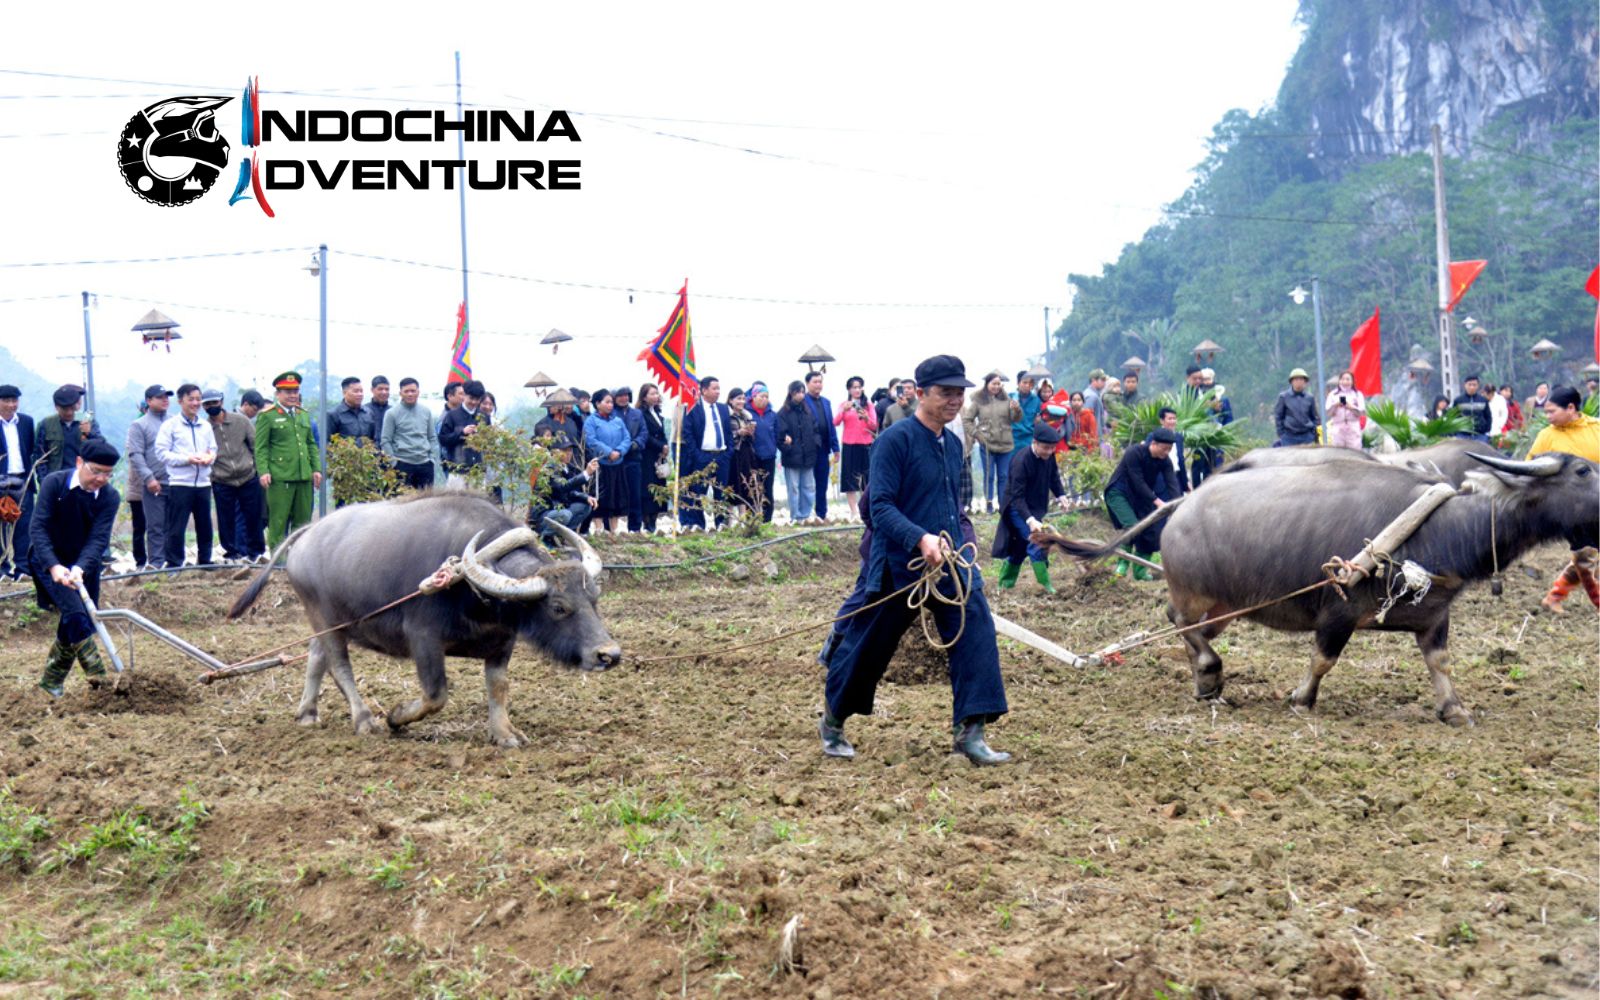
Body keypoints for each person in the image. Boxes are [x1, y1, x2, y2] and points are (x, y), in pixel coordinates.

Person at [820, 354, 1011, 766]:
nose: (954, 400)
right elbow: (879, 508)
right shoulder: (894, 441)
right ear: (920, 393)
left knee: (976, 630)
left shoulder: (954, 444)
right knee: (868, 647)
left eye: (959, 393)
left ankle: (971, 732)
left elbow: (955, 507)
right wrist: (920, 537)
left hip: (948, 562)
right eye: (945, 392)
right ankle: (833, 721)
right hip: (898, 564)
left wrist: (965, 544)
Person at [29, 438, 121, 697]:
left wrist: (81, 567)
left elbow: (99, 539)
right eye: (96, 471)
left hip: (83, 564)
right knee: (77, 616)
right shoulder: (55, 484)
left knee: (79, 620)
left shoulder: (109, 497)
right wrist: (54, 566)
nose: (101, 479)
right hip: (48, 559)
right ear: (80, 462)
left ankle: (50, 682)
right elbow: (38, 527)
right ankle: (100, 682)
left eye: (107, 474)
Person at [1527, 386, 1600, 613]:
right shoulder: (1547, 436)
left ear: (1570, 408)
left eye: (1552, 411)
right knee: (1585, 553)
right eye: (1546, 412)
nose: (1548, 417)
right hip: (1569, 509)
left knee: (1591, 551)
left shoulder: (1596, 428)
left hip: (1597, 501)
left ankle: (1554, 597)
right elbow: (1529, 469)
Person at [992, 422, 1070, 593]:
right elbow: (1017, 497)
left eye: (1052, 448)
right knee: (1037, 542)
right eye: (1046, 448)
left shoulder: (1049, 457)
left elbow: (1054, 477)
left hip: (1034, 508)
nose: (1049, 452)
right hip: (1016, 508)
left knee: (1021, 546)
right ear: (1035, 442)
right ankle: (1045, 586)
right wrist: (1030, 520)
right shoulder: (1021, 461)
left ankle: (1004, 586)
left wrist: (1061, 495)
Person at [255, 371, 322, 551]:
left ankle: (299, 557)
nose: (293, 395)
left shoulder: (303, 414)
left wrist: (316, 469)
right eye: (288, 392)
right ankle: (279, 559)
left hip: (304, 476)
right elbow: (261, 447)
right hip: (280, 477)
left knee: (303, 523)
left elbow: (311, 444)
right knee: (278, 521)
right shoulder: (267, 416)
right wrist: (263, 472)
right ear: (278, 394)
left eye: (295, 391)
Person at [155, 384, 217, 568]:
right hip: (180, 483)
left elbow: (213, 448)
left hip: (203, 483)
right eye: (191, 399)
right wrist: (187, 459)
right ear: (180, 401)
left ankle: (205, 560)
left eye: (198, 399)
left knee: (205, 525)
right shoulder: (170, 426)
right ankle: (174, 563)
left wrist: (210, 458)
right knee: (177, 526)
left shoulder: (205, 426)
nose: (195, 403)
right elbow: (161, 453)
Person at [1104, 427, 1179, 579]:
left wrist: (1178, 505)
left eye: (1169, 449)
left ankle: (1140, 572)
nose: (1166, 452)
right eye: (1164, 448)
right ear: (1154, 443)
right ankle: (1122, 565)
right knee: (1132, 527)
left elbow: (1172, 484)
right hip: (1119, 493)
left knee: (1151, 533)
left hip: (1141, 497)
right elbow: (1137, 481)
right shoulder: (1134, 453)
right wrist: (1158, 501)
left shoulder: (1165, 461)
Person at [207, 387, 264, 564]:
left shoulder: (241, 421)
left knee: (253, 516)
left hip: (248, 476)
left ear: (221, 402)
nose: (211, 406)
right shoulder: (204, 427)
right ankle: (231, 553)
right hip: (222, 479)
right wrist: (213, 475)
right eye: (207, 404)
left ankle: (256, 553)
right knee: (226, 519)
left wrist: (258, 470)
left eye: (215, 402)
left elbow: (255, 446)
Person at [124, 385, 172, 569]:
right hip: (154, 483)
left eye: (166, 396)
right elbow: (135, 454)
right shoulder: (139, 425)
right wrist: (149, 478)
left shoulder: (175, 422)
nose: (165, 400)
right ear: (149, 401)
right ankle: (157, 564)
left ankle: (174, 563)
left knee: (174, 526)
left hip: (176, 481)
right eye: (160, 397)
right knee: (155, 526)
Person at [679, 376, 733, 530]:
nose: (718, 392)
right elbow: (687, 433)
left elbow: (728, 433)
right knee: (698, 492)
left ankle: (721, 523)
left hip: (722, 456)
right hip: (702, 456)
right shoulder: (693, 408)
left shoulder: (723, 409)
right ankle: (699, 525)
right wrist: (698, 455)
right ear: (704, 390)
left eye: (719, 388)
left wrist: (728, 452)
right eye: (714, 388)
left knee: (721, 492)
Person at [962, 372, 1019, 515]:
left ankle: (1003, 505)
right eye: (993, 383)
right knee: (989, 475)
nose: (996, 386)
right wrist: (976, 434)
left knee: (1004, 475)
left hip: (1006, 445)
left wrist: (1017, 410)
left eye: (999, 384)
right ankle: (988, 505)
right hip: (987, 445)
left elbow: (1016, 419)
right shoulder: (978, 401)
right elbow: (967, 420)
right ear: (987, 384)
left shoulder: (1007, 400)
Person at [527, 432, 599, 541]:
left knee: (585, 506)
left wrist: (586, 497)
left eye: (570, 450)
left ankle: (560, 536)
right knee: (565, 515)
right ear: (554, 452)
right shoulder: (549, 468)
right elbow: (562, 487)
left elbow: (569, 492)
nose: (569, 453)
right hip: (543, 515)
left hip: (557, 511)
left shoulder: (566, 468)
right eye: (565, 450)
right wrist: (586, 474)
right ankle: (546, 539)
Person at [0, 384, 36, 581]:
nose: (11, 405)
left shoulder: (26, 422)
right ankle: (2, 568)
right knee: (1, 526)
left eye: (14, 400)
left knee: (24, 525)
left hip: (22, 479)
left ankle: (23, 568)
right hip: (1, 480)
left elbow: (30, 448)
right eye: (6, 401)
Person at [583, 388, 632, 533]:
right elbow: (591, 440)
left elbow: (627, 438)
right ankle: (599, 528)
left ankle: (614, 528)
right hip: (601, 464)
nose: (610, 405)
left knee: (617, 496)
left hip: (617, 463)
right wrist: (608, 452)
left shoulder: (618, 421)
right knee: (601, 496)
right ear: (598, 404)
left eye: (611, 402)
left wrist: (619, 451)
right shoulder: (591, 421)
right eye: (607, 402)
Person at [834, 375, 879, 520]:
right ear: (849, 389)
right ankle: (853, 511)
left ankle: (866, 508)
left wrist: (866, 417)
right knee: (849, 479)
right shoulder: (844, 405)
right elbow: (835, 422)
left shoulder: (869, 405)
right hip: (849, 444)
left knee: (867, 478)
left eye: (859, 387)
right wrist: (843, 410)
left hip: (866, 444)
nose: (857, 390)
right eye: (854, 387)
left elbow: (874, 426)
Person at [381, 378, 437, 491]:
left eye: (413, 391)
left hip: (425, 464)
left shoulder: (426, 411)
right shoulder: (392, 413)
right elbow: (385, 440)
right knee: (401, 500)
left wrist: (432, 459)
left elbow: (432, 437)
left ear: (418, 392)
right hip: (402, 463)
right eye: (406, 391)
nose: (410, 394)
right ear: (400, 393)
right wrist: (394, 463)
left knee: (426, 500)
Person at [35, 385, 103, 477]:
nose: (69, 412)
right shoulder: (46, 424)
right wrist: (44, 480)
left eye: (72, 408)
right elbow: (39, 456)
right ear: (56, 407)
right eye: (65, 409)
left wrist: (90, 433)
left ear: (77, 406)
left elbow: (102, 448)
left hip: (83, 477)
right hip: (56, 478)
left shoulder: (88, 420)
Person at [778, 380, 819, 524]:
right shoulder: (783, 413)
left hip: (808, 455)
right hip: (791, 457)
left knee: (808, 486)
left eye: (802, 392)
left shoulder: (808, 411)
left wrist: (815, 444)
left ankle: (805, 515)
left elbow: (815, 430)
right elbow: (780, 436)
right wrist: (789, 448)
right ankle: (795, 516)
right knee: (793, 488)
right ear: (791, 393)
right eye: (798, 392)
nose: (801, 395)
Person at [802, 371, 839, 521]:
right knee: (807, 482)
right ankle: (804, 514)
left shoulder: (826, 402)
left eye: (820, 382)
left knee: (822, 482)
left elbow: (831, 425)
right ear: (807, 384)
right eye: (815, 382)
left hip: (824, 448)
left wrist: (836, 447)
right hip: (808, 449)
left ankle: (821, 513)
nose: (818, 385)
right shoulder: (802, 401)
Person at [612, 386, 648, 532]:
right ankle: (611, 528)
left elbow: (644, 433)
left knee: (635, 494)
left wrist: (635, 444)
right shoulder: (611, 414)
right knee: (615, 494)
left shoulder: (637, 413)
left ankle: (635, 527)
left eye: (626, 395)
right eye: (620, 395)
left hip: (634, 458)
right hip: (615, 459)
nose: (624, 398)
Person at [438, 379, 487, 483]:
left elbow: (490, 441)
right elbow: (443, 440)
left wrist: (481, 437)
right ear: (464, 395)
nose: (474, 402)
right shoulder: (452, 415)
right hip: (457, 471)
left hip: (478, 471)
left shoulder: (484, 416)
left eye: (477, 399)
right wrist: (462, 433)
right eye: (471, 398)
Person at [1191, 368, 1232, 487]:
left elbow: (1228, 417)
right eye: (1203, 379)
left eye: (1208, 379)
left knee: (1216, 464)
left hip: (1217, 436)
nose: (1205, 382)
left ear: (1213, 379)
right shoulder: (1195, 397)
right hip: (1199, 436)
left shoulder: (1222, 398)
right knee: (1198, 463)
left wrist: (1225, 433)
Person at [637, 384, 670, 531]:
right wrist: (660, 446)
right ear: (644, 397)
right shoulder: (641, 414)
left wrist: (665, 447)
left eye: (657, 393)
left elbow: (662, 433)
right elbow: (646, 435)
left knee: (660, 486)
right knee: (648, 488)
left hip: (659, 455)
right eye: (652, 394)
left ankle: (655, 522)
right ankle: (647, 522)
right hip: (647, 455)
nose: (656, 396)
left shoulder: (657, 413)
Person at [747, 383, 779, 523]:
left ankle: (767, 520)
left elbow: (777, 435)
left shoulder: (772, 415)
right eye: (762, 396)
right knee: (752, 488)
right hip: (752, 457)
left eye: (767, 396)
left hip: (769, 457)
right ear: (754, 397)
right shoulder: (747, 413)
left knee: (767, 489)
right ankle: (752, 519)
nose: (764, 399)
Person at [727, 386, 761, 518]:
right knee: (733, 485)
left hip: (746, 453)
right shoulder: (727, 415)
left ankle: (743, 517)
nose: (741, 401)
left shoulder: (747, 416)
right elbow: (726, 435)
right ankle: (729, 519)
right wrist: (738, 433)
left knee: (745, 484)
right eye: (738, 399)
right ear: (730, 400)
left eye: (743, 399)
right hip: (733, 454)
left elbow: (752, 438)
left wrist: (750, 432)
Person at [1144, 407, 1188, 499]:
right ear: (1162, 421)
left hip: (1177, 479)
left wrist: (1185, 482)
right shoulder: (1153, 436)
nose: (1173, 421)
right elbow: (1148, 459)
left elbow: (1180, 460)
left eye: (1174, 418)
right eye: (1170, 419)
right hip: (1161, 481)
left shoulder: (1179, 437)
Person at [1273, 368, 1320, 446]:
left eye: (1301, 379)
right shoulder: (1284, 397)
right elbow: (1278, 416)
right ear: (1291, 381)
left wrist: (1313, 433)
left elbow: (1315, 417)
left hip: (1307, 436)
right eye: (1296, 379)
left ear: (1305, 382)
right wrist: (1281, 434)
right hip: (1289, 436)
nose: (1299, 382)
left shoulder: (1310, 398)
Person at [327, 376, 376, 446]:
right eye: (356, 391)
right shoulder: (333, 414)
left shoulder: (368, 413)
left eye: (361, 391)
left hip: (367, 452)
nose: (360, 394)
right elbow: (327, 442)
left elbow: (374, 439)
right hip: (343, 452)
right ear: (344, 393)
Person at [1325, 370, 1366, 450]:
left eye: (1348, 379)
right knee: (1338, 451)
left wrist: (1351, 407)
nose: (1345, 382)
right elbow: (1328, 412)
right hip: (1338, 427)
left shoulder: (1357, 394)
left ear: (1352, 381)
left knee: (1354, 451)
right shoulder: (1333, 395)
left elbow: (1362, 412)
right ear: (1339, 381)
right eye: (1342, 379)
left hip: (1353, 427)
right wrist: (1336, 405)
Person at [1451, 374, 1492, 442]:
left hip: (1480, 435)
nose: (1472, 387)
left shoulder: (1483, 400)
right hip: (1463, 434)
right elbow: (1453, 417)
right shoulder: (1458, 400)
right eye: (1469, 384)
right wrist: (1456, 431)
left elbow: (1488, 416)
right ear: (1465, 385)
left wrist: (1486, 429)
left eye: (1474, 385)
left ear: (1478, 386)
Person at [1010, 371, 1041, 454]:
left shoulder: (1036, 400)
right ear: (1018, 383)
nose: (1027, 385)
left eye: (1030, 383)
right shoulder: (1010, 397)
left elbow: (1038, 420)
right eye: (1024, 382)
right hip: (1012, 439)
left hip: (1029, 439)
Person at [1081, 369, 1109, 446]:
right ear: (1093, 380)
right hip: (1092, 439)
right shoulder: (1091, 397)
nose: (1104, 382)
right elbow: (1086, 420)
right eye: (1102, 380)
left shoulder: (1093, 394)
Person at [364, 376, 391, 445]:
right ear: (372, 390)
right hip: (369, 449)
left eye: (387, 389)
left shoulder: (393, 411)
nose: (384, 392)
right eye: (380, 389)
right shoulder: (364, 411)